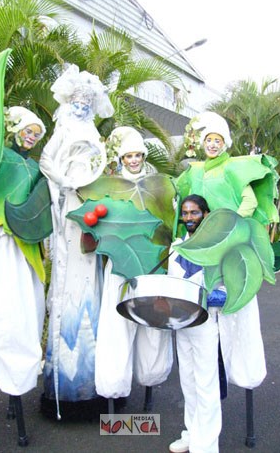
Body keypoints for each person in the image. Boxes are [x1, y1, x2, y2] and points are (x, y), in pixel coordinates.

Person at [39, 64, 114, 418]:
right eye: (77, 100)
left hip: (93, 211)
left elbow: (101, 166)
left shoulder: (94, 135)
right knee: (70, 284)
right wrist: (66, 183)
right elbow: (45, 161)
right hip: (70, 207)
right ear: (69, 101)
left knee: (92, 285)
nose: (82, 106)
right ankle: (66, 385)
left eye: (88, 101)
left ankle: (95, 380)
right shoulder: (63, 129)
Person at [168, 194, 266, 453]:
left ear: (206, 214)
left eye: (195, 213)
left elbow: (230, 285)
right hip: (182, 324)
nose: (189, 218)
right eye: (186, 213)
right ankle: (191, 433)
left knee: (205, 383)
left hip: (206, 324)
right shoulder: (176, 247)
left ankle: (207, 445)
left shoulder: (221, 247)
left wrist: (217, 294)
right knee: (187, 381)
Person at [95, 126, 173, 399]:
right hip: (121, 261)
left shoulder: (159, 185)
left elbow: (168, 221)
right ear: (121, 158)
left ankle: (151, 379)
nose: (133, 161)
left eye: (137, 155)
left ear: (143, 156)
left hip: (152, 262)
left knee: (152, 321)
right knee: (118, 323)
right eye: (128, 156)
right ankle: (114, 386)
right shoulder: (109, 188)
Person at [0, 106, 46, 397]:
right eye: (28, 131)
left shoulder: (35, 168)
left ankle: (24, 370)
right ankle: (9, 372)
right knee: (7, 305)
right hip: (2, 239)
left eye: (36, 134)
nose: (31, 137)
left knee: (30, 305)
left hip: (28, 244)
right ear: (15, 129)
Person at [175, 112, 279, 229]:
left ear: (224, 144)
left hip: (228, 236)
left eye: (217, 141)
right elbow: (184, 196)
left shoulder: (232, 167)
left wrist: (233, 224)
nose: (212, 145)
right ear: (203, 143)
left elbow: (250, 201)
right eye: (209, 140)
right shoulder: (195, 170)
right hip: (202, 233)